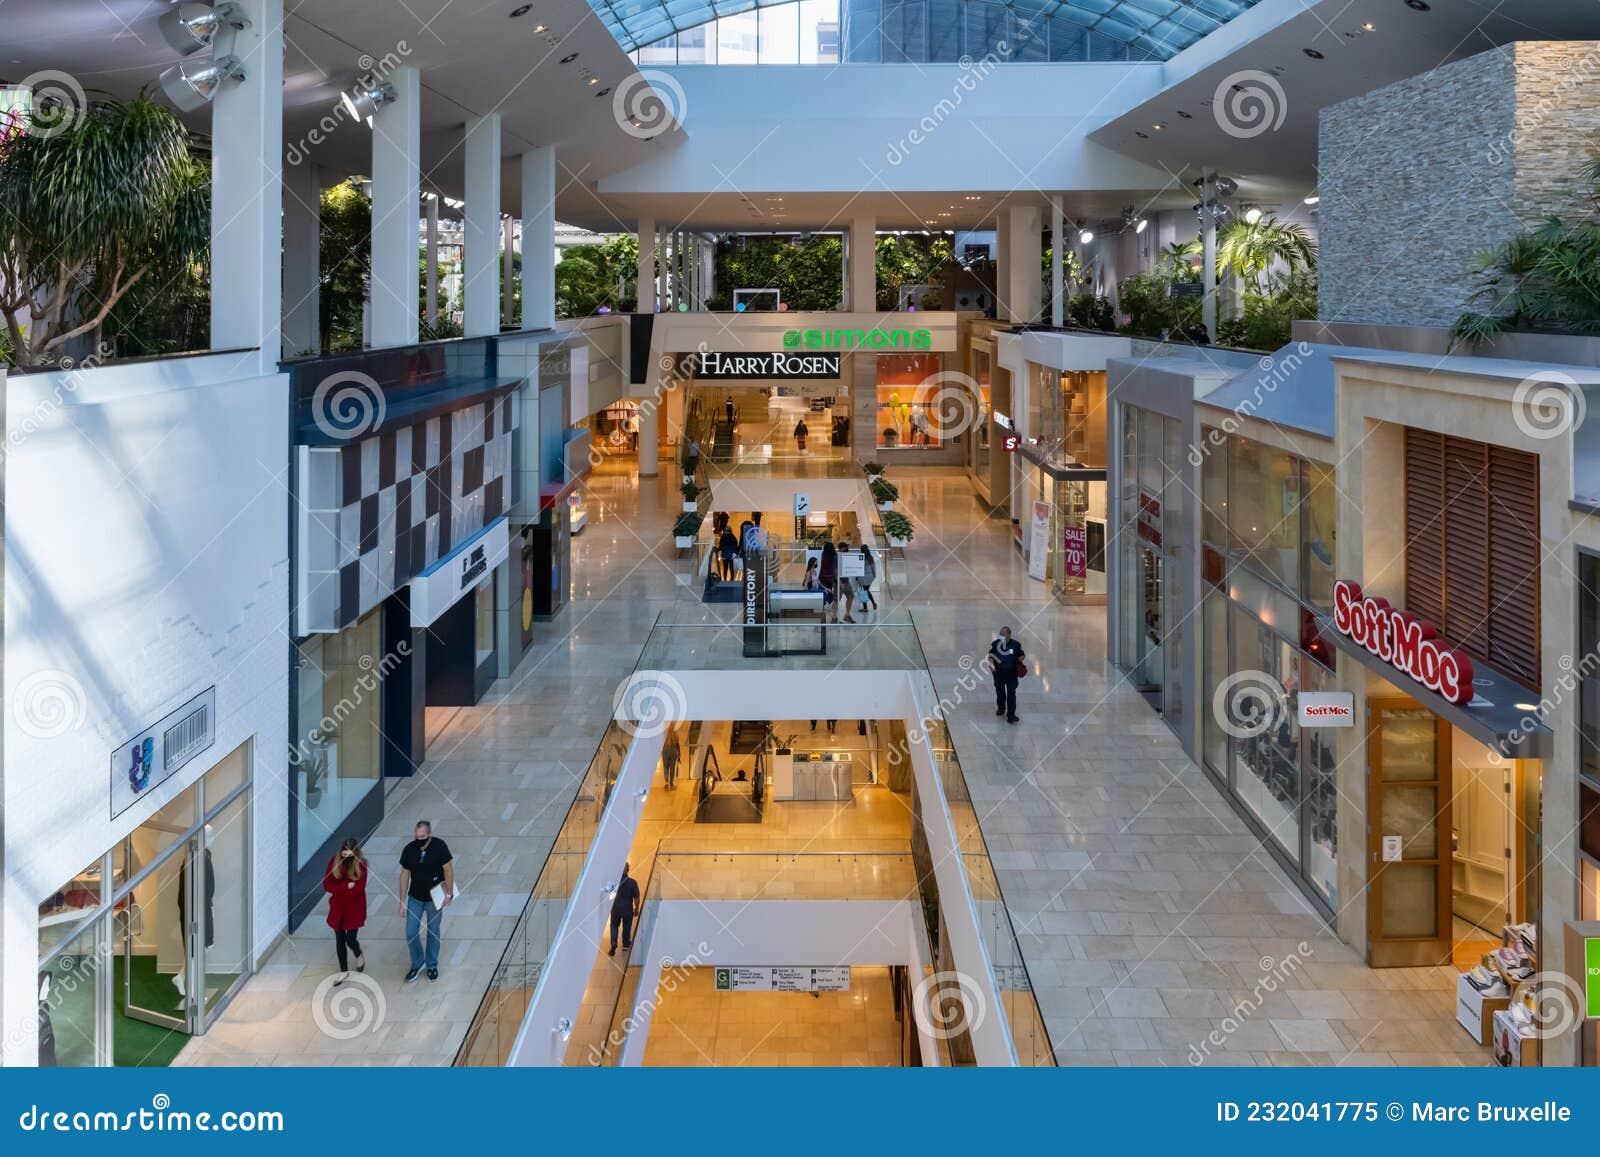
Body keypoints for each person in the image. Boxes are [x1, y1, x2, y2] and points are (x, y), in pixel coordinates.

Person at [398, 820, 453, 982]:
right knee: (411, 932)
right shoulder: (409, 849)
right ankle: (417, 962)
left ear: (429, 834)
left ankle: (431, 965)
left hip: (434, 898)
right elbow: (404, 874)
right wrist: (401, 900)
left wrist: (449, 894)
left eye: (422, 836)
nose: (419, 838)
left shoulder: (439, 846)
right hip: (415, 897)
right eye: (416, 835)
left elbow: (448, 869)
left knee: (433, 931)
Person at [323, 838, 368, 986]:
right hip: (338, 908)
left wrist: (341, 889)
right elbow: (327, 885)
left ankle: (357, 952)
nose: (346, 858)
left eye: (349, 855)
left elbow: (358, 889)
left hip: (354, 908)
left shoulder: (362, 864)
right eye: (344, 854)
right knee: (340, 939)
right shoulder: (333, 862)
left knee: (350, 939)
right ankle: (343, 970)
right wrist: (345, 887)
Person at [988, 627, 1026, 724]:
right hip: (999, 673)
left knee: (1011, 693)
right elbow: (991, 656)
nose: (1001, 637)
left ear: (1009, 635)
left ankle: (1011, 715)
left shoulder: (1016, 645)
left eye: (1003, 635)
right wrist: (992, 667)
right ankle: (1001, 708)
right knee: (1000, 691)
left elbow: (1022, 655)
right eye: (1000, 635)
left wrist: (1019, 660)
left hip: (1011, 674)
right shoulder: (996, 644)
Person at [609, 863, 642, 956]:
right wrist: (637, 908)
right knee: (627, 926)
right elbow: (636, 897)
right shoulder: (633, 882)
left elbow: (610, 896)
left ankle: (614, 943)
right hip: (627, 908)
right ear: (628, 870)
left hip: (616, 907)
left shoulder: (614, 882)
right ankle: (625, 945)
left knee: (614, 925)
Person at [836, 540, 857, 623]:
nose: (847, 548)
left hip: (846, 581)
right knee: (836, 600)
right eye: (846, 547)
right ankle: (834, 617)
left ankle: (847, 615)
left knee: (851, 596)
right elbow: (836, 570)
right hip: (840, 582)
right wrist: (840, 582)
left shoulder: (846, 556)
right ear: (841, 548)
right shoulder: (837, 557)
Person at [819, 542, 839, 622]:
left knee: (823, 594)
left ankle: (822, 612)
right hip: (830, 578)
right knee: (830, 594)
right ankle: (832, 615)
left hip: (823, 577)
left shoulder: (823, 554)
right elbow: (835, 568)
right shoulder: (834, 555)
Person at [856, 543, 879, 612]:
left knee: (863, 591)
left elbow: (858, 568)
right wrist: (874, 575)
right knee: (866, 590)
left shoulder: (860, 557)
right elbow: (873, 567)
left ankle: (866, 607)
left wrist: (857, 576)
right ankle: (873, 603)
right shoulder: (870, 557)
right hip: (870, 576)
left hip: (862, 577)